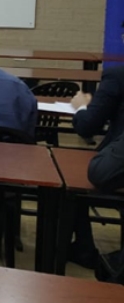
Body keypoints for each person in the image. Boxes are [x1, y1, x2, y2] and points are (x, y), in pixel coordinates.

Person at [64, 65, 124, 267]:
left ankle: (84, 248)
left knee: (71, 182)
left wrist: (81, 107)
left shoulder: (117, 76)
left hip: (116, 165)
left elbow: (87, 126)